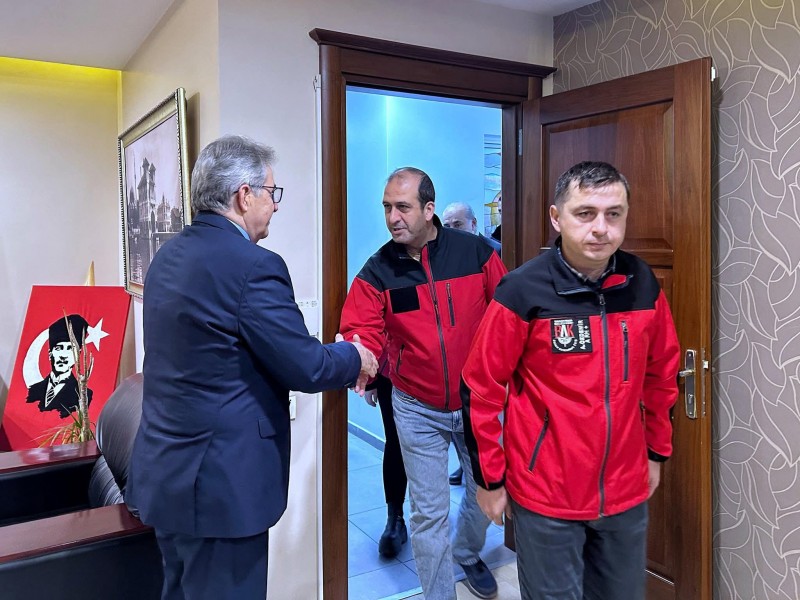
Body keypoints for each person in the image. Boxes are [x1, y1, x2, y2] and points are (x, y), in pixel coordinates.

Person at [127, 135, 377, 600]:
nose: (275, 205)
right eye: (271, 192)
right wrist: (355, 356)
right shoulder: (253, 266)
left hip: (166, 475)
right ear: (244, 195)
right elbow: (305, 366)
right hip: (220, 489)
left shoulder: (166, 256)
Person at [461, 161, 680, 600]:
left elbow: (662, 374)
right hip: (546, 495)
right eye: (585, 213)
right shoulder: (522, 290)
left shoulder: (641, 283)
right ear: (556, 217)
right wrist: (490, 480)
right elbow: (481, 388)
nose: (601, 228)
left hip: (624, 490)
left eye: (613, 214)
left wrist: (656, 452)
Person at [340, 167, 507, 600]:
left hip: (477, 401)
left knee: (486, 491)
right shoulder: (377, 272)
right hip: (416, 407)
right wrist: (362, 357)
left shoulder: (476, 253)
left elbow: (507, 315)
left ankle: (466, 551)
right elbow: (362, 328)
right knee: (428, 515)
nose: (392, 218)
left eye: (403, 207)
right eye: (387, 208)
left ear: (429, 209)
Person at [440, 201, 500, 487]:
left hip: (482, 354)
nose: (452, 230)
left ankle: (480, 473)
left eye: (458, 224)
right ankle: (465, 467)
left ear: (473, 224)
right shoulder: (440, 255)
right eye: (447, 225)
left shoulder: (493, 252)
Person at [363, 369, 409, 557]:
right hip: (391, 373)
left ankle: (434, 519)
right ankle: (395, 518)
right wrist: (371, 380)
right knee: (395, 441)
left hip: (441, 376)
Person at [26, 314, 93, 418]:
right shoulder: (33, 391)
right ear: (50, 354)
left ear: (78, 354)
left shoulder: (83, 396)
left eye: (70, 348)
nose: (63, 355)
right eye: (59, 348)